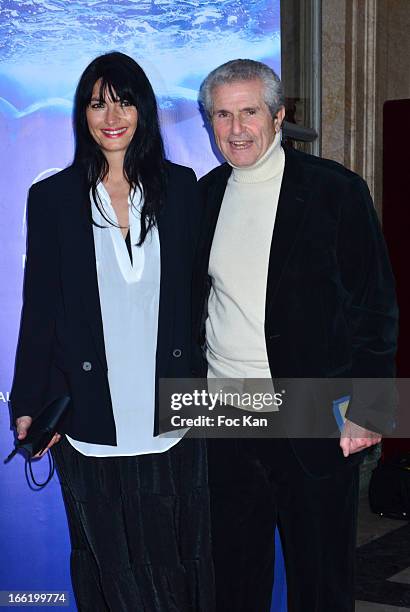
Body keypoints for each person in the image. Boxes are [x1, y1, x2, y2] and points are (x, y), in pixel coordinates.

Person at [10, 51, 214, 612]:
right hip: (88, 411)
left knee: (176, 561)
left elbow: (202, 296)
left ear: (143, 109)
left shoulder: (182, 187)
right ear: (82, 114)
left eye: (122, 100)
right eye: (97, 103)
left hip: (170, 412)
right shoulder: (51, 198)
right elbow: (40, 312)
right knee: (106, 566)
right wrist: (29, 402)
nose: (111, 115)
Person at [193, 59, 398, 612]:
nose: (236, 128)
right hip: (225, 410)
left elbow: (376, 309)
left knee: (321, 578)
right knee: (233, 578)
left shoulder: (337, 191)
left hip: (314, 411)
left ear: (279, 116)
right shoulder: (200, 197)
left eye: (250, 112)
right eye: (222, 115)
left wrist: (374, 411)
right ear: (210, 123)